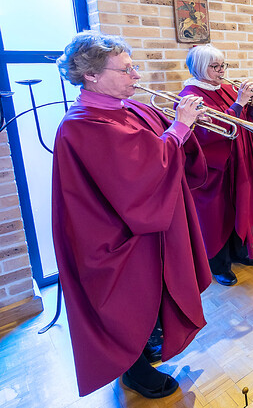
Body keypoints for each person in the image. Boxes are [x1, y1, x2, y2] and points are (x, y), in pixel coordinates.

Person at [52, 31, 211, 398]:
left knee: (152, 297)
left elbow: (159, 149)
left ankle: (145, 343)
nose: (136, 76)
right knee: (126, 305)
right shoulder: (82, 123)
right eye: (126, 70)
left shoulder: (129, 108)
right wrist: (180, 128)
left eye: (134, 67)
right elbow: (138, 174)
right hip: (112, 236)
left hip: (142, 226)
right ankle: (133, 370)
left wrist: (181, 129)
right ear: (91, 75)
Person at [180, 45, 253, 287]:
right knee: (216, 217)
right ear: (200, 68)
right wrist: (240, 103)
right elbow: (209, 133)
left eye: (223, 65)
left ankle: (241, 252)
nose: (221, 71)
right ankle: (219, 266)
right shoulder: (190, 96)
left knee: (242, 207)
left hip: (239, 163)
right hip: (215, 170)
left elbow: (245, 123)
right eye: (215, 66)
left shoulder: (229, 89)